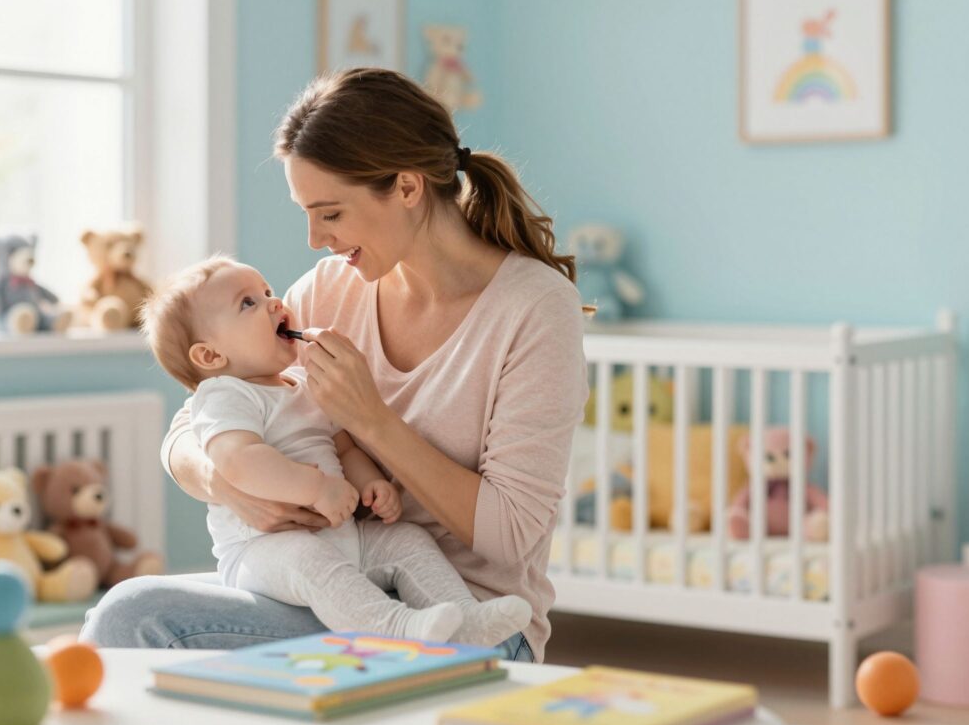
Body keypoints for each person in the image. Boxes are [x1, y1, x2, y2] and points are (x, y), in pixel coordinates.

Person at [80, 68, 589, 663]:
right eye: (306, 213)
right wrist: (232, 483)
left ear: (405, 187)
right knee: (125, 611)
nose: (314, 238)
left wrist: (373, 421)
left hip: (470, 621)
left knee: (132, 619)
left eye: (330, 213)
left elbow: (509, 538)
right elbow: (192, 424)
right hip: (335, 583)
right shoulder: (332, 288)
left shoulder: (533, 308)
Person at [137, 256, 532, 646]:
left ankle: (464, 619)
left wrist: (371, 484)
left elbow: (343, 447)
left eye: (267, 291)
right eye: (248, 303)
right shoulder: (224, 395)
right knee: (309, 563)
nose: (274, 303)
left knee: (407, 540)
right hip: (264, 553)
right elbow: (238, 461)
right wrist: (316, 490)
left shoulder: (302, 383)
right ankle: (394, 627)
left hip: (343, 538)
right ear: (210, 356)